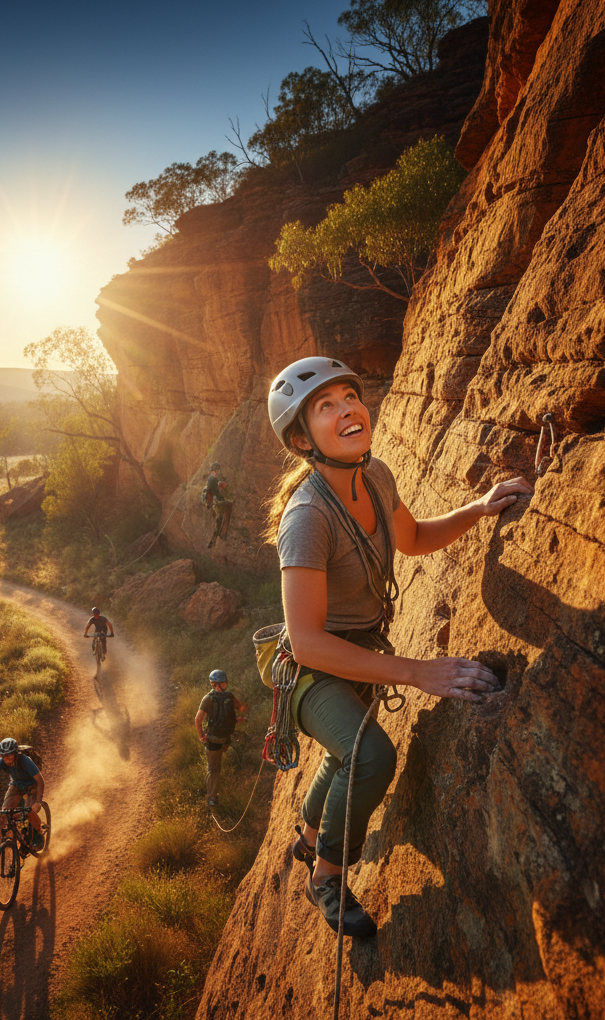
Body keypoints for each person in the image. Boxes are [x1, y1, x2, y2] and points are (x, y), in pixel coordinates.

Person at [264, 356, 532, 937]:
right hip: (312, 670)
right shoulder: (307, 517)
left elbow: (410, 538)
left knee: (344, 754)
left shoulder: (376, 475)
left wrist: (478, 509)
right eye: (325, 406)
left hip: (356, 652)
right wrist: (416, 672)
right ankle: (326, 880)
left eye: (348, 396)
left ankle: (309, 836)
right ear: (300, 438)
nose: (347, 409)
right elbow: (308, 642)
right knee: (370, 754)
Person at [0, 737, 45, 849]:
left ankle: (39, 834)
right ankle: (23, 833)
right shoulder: (0, 763)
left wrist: (38, 801)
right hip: (16, 784)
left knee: (29, 810)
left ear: (15, 753)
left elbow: (40, 780)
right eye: (4, 756)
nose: (7, 759)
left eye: (9, 755)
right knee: (7, 811)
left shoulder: (25, 760)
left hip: (32, 784)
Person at [194, 669, 248, 807]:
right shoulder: (230, 696)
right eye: (224, 682)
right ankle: (215, 791)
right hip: (227, 739)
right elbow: (238, 709)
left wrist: (201, 736)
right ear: (221, 684)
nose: (225, 684)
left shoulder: (208, 699)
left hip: (213, 741)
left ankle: (211, 798)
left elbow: (198, 720)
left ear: (212, 684)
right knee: (218, 764)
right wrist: (240, 716)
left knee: (213, 769)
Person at [204, 462, 233, 548]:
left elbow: (223, 490)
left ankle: (217, 537)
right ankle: (214, 540)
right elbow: (209, 493)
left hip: (221, 501)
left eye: (217, 470)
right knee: (219, 520)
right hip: (216, 503)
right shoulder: (211, 480)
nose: (215, 472)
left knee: (222, 518)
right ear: (212, 471)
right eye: (214, 471)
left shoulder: (219, 479)